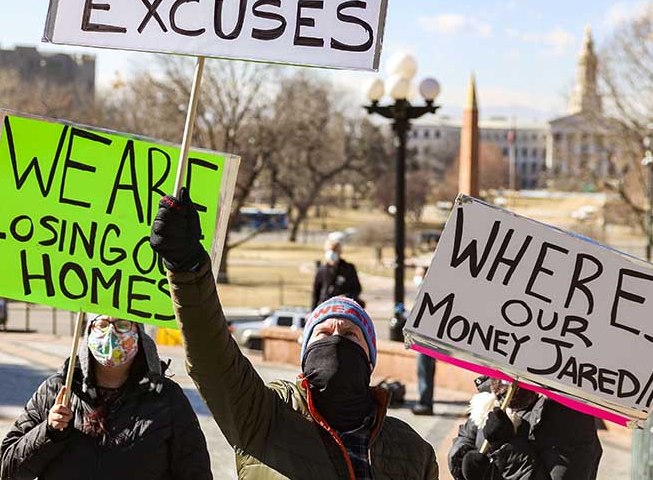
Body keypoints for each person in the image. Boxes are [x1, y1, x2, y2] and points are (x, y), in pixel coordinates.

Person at [151, 189, 438, 480]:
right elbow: (212, 358)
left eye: (350, 334)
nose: (335, 338)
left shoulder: (414, 451)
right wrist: (188, 269)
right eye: (323, 332)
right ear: (305, 352)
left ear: (370, 358)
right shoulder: (265, 416)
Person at [0, 315, 213, 480]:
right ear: (88, 334)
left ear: (138, 334)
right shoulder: (58, 390)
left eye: (122, 325)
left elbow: (195, 473)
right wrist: (49, 431)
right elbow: (10, 470)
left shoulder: (166, 397)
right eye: (101, 324)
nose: (111, 333)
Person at [448, 378, 602, 480]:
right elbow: (466, 437)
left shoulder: (570, 417)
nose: (502, 383)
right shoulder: (491, 394)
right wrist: (463, 461)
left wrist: (507, 446)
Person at [311, 232, 364, 309]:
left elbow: (357, 289)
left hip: (345, 307)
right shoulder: (322, 270)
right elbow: (315, 293)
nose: (331, 253)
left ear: (339, 252)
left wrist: (345, 296)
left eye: (334, 250)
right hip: (326, 307)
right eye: (329, 250)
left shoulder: (349, 268)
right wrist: (312, 312)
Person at [411, 265, 436, 416]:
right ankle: (425, 401)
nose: (417, 278)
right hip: (422, 337)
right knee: (424, 370)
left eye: (420, 275)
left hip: (427, 338)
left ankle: (425, 403)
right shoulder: (422, 291)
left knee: (425, 369)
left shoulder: (431, 291)